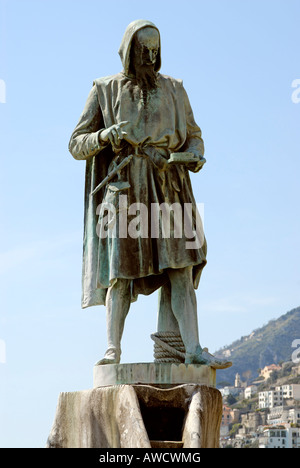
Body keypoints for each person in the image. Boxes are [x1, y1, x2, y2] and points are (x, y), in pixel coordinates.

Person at [69, 19, 231, 369]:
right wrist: (103, 136)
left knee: (182, 270)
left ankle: (193, 349)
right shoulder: (103, 89)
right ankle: (113, 350)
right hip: (125, 190)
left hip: (170, 185)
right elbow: (75, 144)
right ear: (129, 51)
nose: (149, 57)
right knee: (120, 276)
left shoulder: (175, 89)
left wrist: (196, 154)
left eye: (154, 51)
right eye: (143, 51)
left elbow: (194, 134)